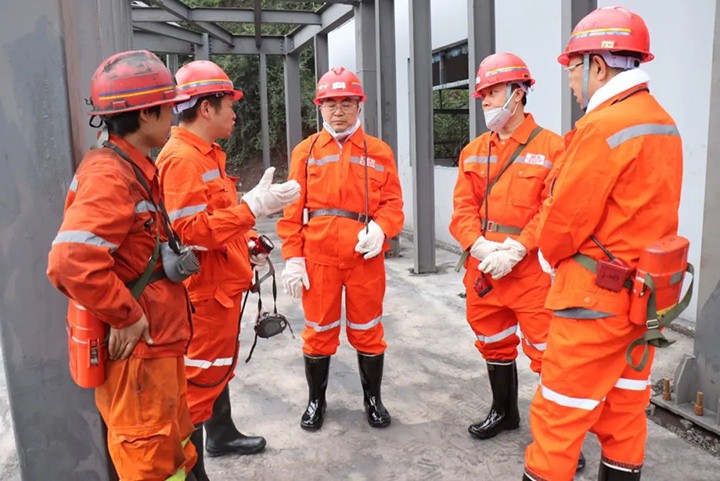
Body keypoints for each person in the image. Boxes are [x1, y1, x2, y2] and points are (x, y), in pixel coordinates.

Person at [523, 7, 683, 481]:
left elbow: (564, 222)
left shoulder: (601, 127)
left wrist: (546, 255)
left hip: (593, 302)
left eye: (573, 70)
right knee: (625, 415)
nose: (572, 84)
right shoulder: (663, 122)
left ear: (597, 65)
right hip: (643, 301)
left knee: (559, 420)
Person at [47, 50, 199, 481]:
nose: (173, 116)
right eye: (167, 106)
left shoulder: (131, 165)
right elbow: (70, 261)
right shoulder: (110, 176)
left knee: (171, 452)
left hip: (158, 349)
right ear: (146, 112)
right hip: (139, 360)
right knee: (149, 462)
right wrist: (126, 314)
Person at [156, 60, 300, 481]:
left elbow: (218, 218)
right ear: (206, 108)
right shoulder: (181, 159)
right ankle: (194, 471)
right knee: (199, 380)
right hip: (204, 295)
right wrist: (252, 208)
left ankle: (220, 435)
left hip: (219, 286)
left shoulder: (205, 153)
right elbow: (191, 232)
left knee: (216, 369)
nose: (235, 112)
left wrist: (250, 241)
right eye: (229, 104)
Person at [450, 52, 579, 458]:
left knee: (547, 353)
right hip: (485, 269)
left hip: (530, 271)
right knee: (493, 341)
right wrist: (476, 244)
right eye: (483, 94)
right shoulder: (473, 151)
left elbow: (552, 208)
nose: (485, 100)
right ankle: (504, 412)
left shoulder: (553, 147)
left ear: (518, 93)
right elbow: (462, 208)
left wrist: (519, 247)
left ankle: (557, 438)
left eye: (493, 91)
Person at [277, 67, 404, 431]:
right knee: (318, 331)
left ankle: (373, 400)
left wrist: (381, 228)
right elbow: (292, 210)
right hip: (319, 258)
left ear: (359, 105)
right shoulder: (306, 152)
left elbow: (393, 204)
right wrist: (293, 258)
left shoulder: (378, 151)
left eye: (346, 103)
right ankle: (316, 401)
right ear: (319, 106)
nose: (338, 111)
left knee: (368, 330)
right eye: (330, 103)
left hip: (364, 257)